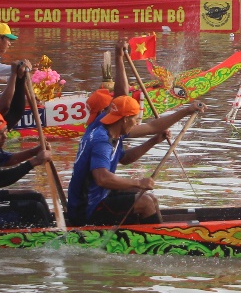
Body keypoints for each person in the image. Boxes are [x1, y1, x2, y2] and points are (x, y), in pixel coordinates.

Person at [64, 96, 167, 227]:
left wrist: (154, 141)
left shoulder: (112, 132)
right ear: (125, 120)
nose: (136, 124)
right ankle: (158, 242)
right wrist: (138, 182)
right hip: (86, 210)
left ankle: (160, 231)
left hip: (98, 197)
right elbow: (102, 179)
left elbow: (126, 158)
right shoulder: (102, 141)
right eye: (135, 119)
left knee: (150, 197)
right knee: (145, 202)